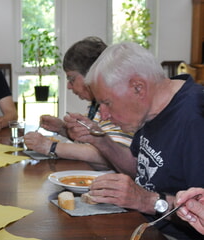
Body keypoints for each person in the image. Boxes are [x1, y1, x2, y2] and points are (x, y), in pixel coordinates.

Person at [82, 42, 204, 240]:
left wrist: (147, 200)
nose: (103, 115)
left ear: (138, 87)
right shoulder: (152, 108)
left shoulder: (196, 118)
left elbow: (200, 212)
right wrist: (101, 142)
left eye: (106, 103)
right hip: (148, 224)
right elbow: (139, 167)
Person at [24, 37, 132, 170]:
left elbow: (109, 155)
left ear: (93, 74)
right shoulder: (95, 104)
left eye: (72, 79)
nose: (69, 86)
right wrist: (63, 129)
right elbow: (91, 142)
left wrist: (49, 146)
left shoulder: (116, 106)